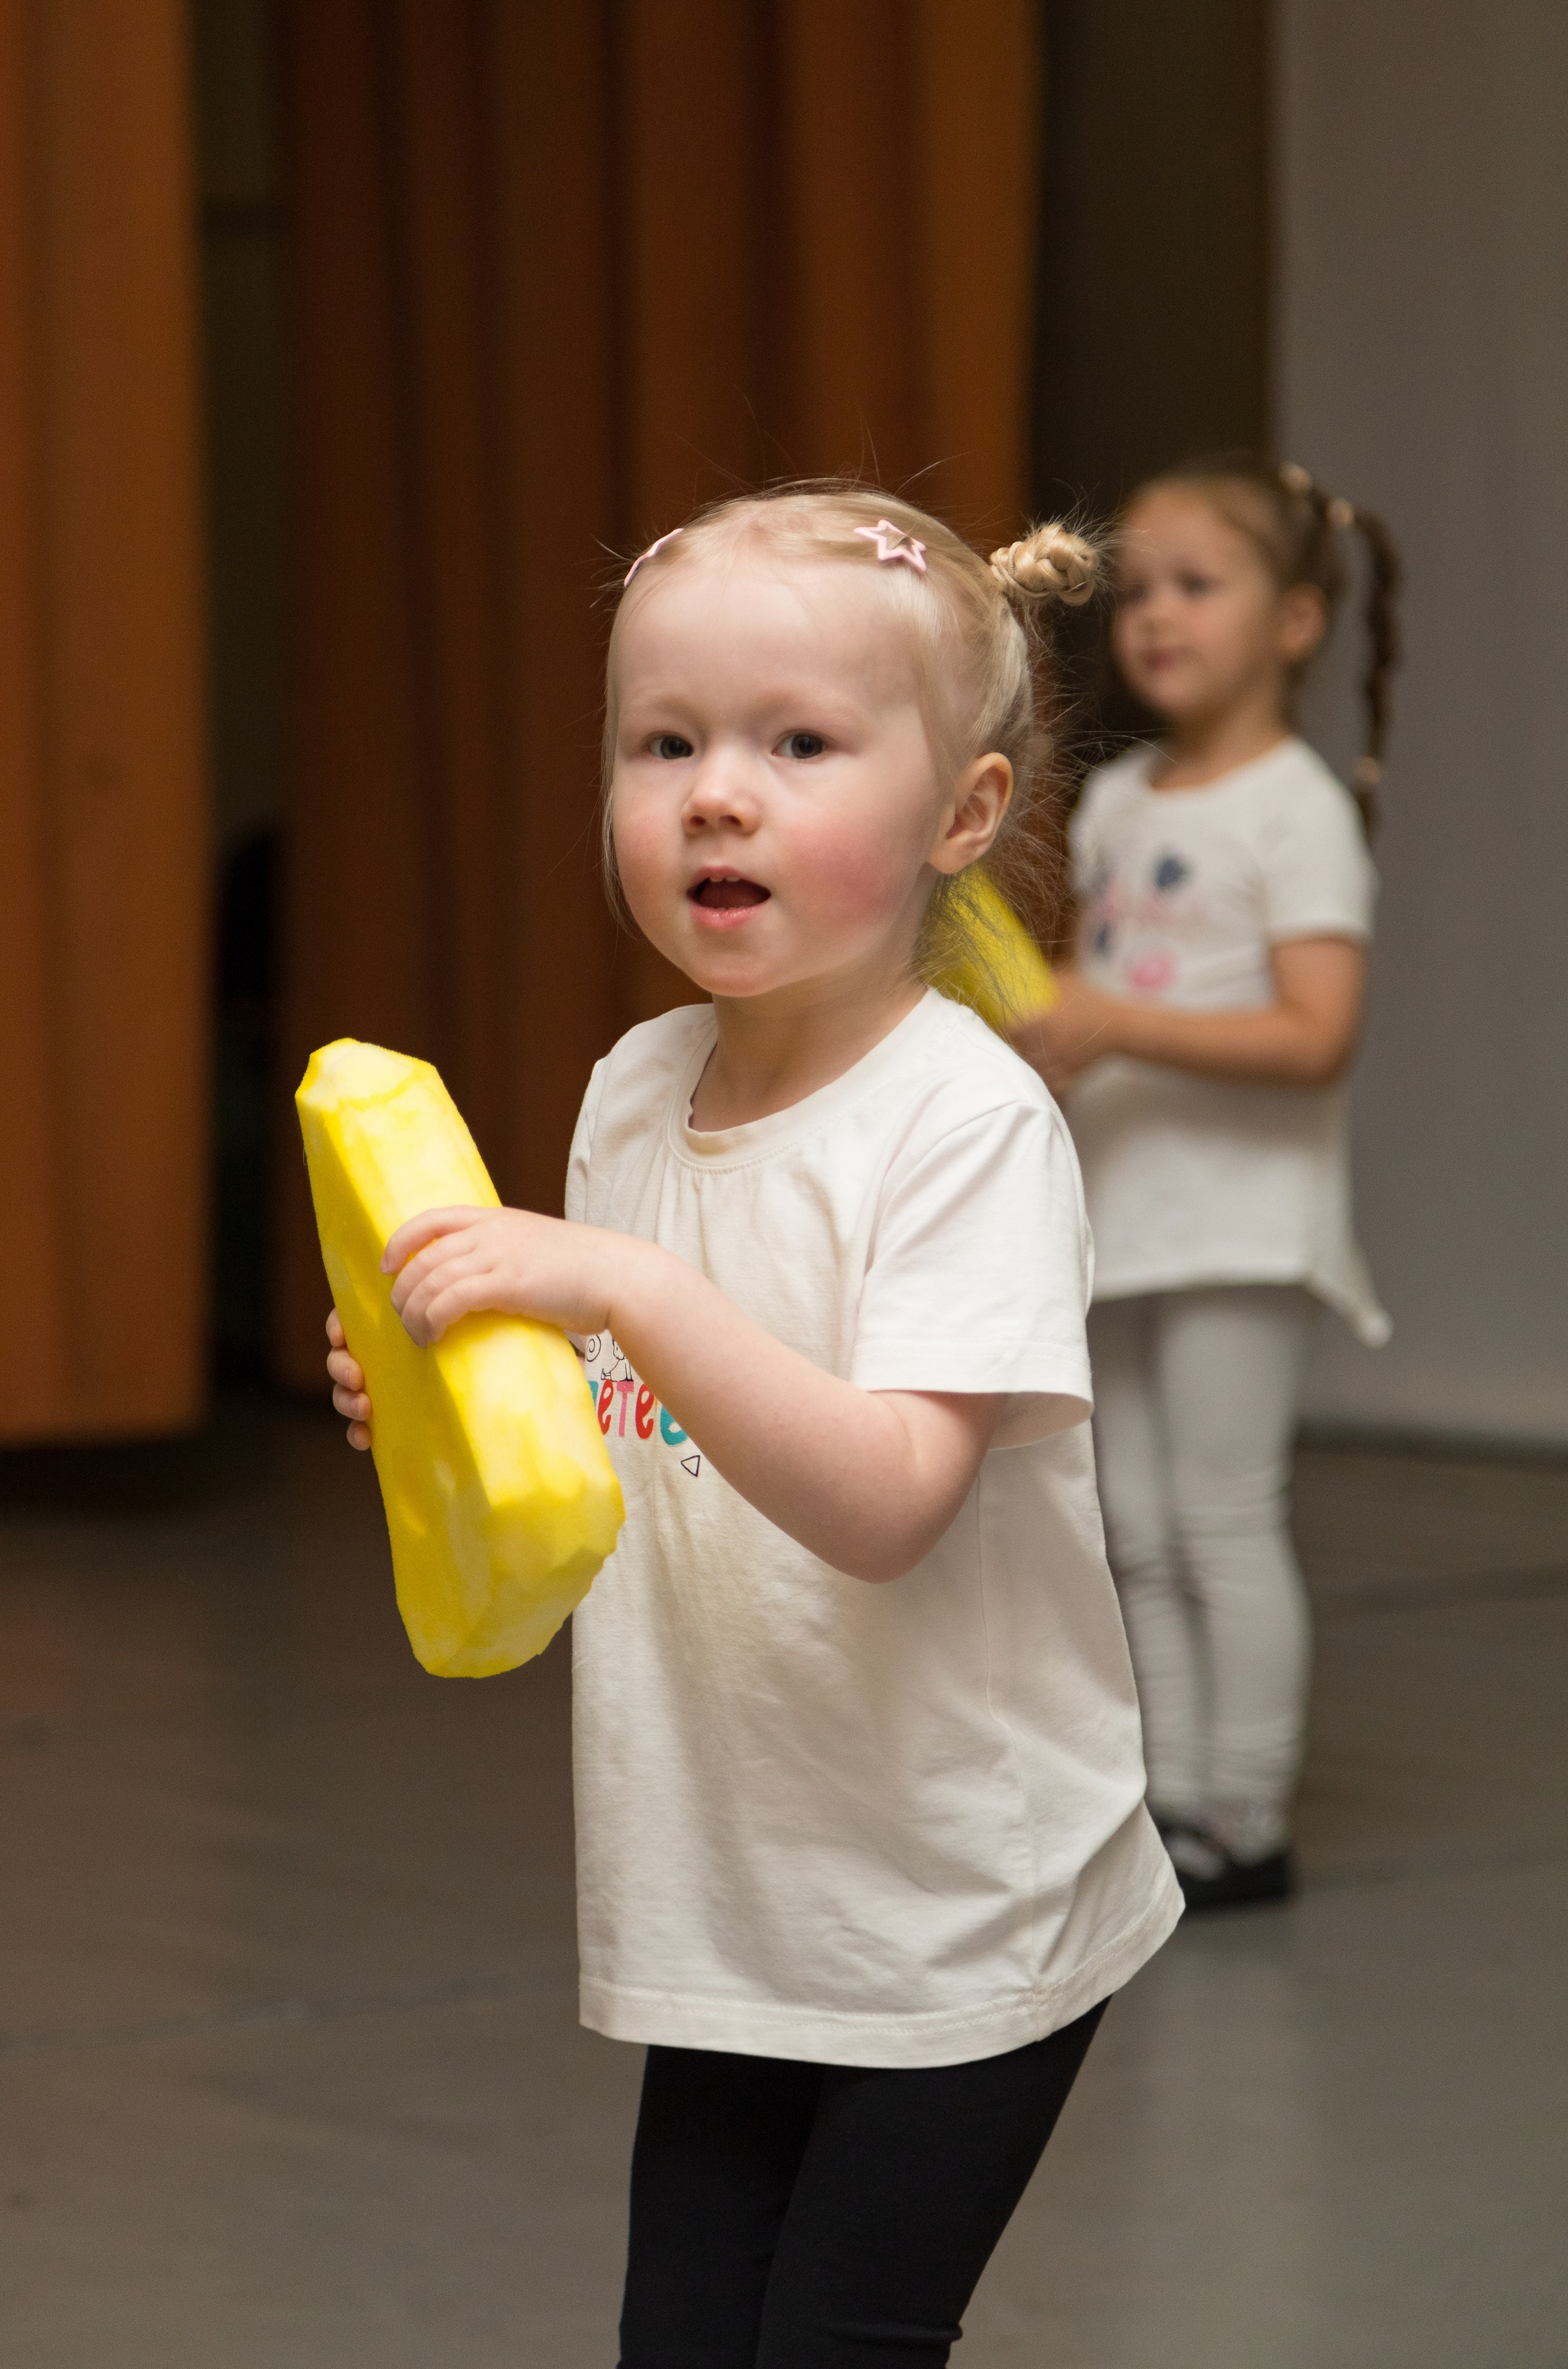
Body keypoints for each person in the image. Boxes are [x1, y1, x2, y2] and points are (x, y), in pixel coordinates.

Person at [326, 485, 1181, 2368]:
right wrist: (450, 1405)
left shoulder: (962, 1130)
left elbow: (887, 1501)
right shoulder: (636, 1094)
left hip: (962, 1901)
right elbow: (622, 1439)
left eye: (798, 744)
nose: (719, 791)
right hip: (734, 1880)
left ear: (961, 815)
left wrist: (621, 1293)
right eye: (666, 742)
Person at [1013, 456, 1401, 1911]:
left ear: (1294, 622)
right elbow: (1114, 999)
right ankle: (1167, 1796)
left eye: (1197, 585)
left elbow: (1314, 1036)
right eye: (1137, 591)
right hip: (1125, 1219)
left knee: (1224, 1515)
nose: (1155, 615)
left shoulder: (1292, 809)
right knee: (1134, 1523)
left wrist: (1112, 1018)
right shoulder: (1116, 800)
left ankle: (1244, 1809)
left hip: (1238, 1227)